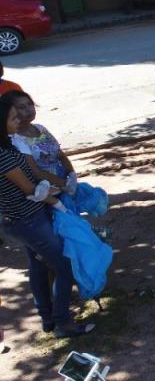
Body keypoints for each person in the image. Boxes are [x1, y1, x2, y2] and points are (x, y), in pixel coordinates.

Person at [0, 98, 94, 338]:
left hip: (29, 216)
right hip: (27, 220)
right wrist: (56, 201)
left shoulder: (11, 144)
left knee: (39, 264)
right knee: (65, 265)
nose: (19, 120)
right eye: (13, 118)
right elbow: (30, 189)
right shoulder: (3, 155)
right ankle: (63, 322)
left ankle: (48, 317)